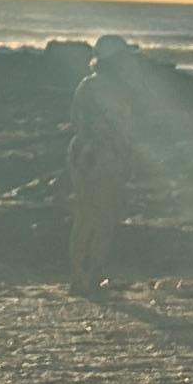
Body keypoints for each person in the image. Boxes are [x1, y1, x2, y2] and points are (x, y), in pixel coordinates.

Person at [67, 33, 137, 295]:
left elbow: (76, 119)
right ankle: (84, 275)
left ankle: (87, 275)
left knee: (96, 217)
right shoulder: (99, 88)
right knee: (94, 217)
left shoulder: (93, 86)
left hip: (98, 156)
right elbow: (83, 122)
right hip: (96, 157)